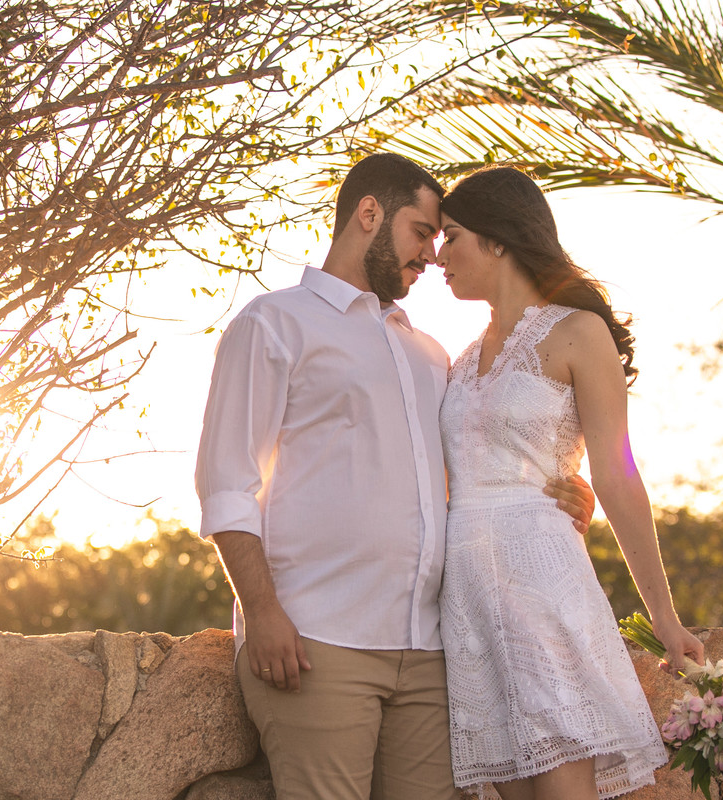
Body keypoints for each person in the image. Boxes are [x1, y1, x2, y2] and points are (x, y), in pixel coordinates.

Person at [194, 153, 594, 800]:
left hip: (431, 651)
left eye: (440, 240)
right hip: (318, 643)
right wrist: (262, 612)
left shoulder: (430, 354)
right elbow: (225, 483)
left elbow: (471, 470)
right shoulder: (273, 323)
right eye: (421, 232)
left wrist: (559, 494)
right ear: (369, 214)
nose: (433, 255)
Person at [434, 165, 704, 800]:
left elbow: (618, 474)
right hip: (465, 595)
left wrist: (663, 616)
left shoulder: (578, 333)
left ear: (496, 240)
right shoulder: (460, 358)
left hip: (542, 583)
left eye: (452, 236)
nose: (439, 255)